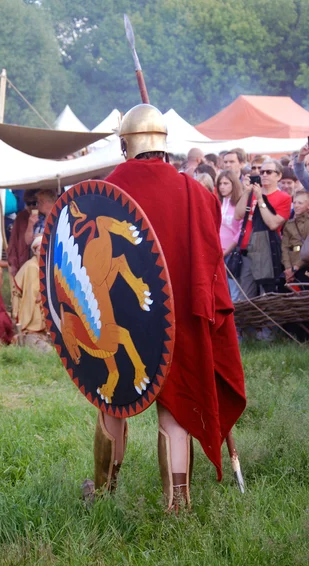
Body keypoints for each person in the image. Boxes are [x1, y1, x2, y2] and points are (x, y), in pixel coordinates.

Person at [83, 104, 246, 513]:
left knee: (112, 398)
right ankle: (178, 504)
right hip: (179, 319)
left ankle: (104, 494)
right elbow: (209, 264)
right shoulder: (195, 193)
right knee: (175, 404)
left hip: (119, 316)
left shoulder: (106, 191)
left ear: (125, 145)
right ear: (163, 144)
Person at [234, 159, 291, 300]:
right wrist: (246, 192)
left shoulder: (284, 198)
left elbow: (273, 224)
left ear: (279, 176)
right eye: (262, 172)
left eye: (269, 172)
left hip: (266, 255)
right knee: (245, 300)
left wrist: (260, 199)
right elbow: (238, 215)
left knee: (267, 298)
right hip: (246, 252)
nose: (264, 175)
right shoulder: (251, 193)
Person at [8, 189, 56, 277]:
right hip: (35, 260)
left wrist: (42, 237)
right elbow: (27, 241)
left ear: (48, 202)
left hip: (50, 260)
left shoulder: (58, 218)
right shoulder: (39, 218)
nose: (38, 205)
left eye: (40, 202)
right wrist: (30, 224)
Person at [12, 236, 48, 336]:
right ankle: (29, 326)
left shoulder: (43, 265)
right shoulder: (32, 267)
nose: (42, 252)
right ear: (35, 251)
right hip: (28, 301)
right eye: (40, 249)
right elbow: (31, 295)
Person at [216, 170, 242, 302]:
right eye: (220, 183)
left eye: (226, 183)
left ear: (234, 184)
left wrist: (227, 251)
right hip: (216, 252)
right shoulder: (216, 203)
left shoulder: (239, 204)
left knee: (234, 291)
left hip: (232, 253)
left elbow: (240, 231)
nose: (222, 186)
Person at [281, 191, 309, 285]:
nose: (296, 205)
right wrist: (288, 268)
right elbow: (284, 247)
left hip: (304, 265)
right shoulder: (289, 224)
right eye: (295, 202)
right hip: (291, 266)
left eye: (300, 203)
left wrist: (296, 267)